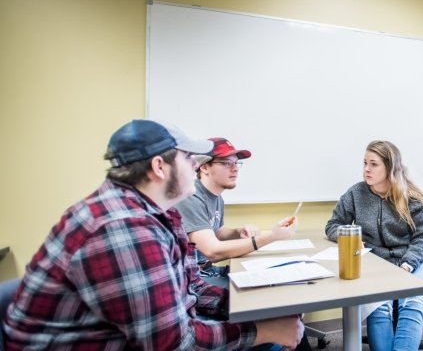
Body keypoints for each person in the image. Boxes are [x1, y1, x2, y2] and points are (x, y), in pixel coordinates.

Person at [3, 120, 304, 350]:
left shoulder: (159, 213)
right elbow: (174, 344)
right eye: (190, 160)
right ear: (159, 167)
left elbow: (193, 288)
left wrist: (252, 307)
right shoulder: (123, 227)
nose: (197, 168)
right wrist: (262, 330)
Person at [324, 140, 423, 351]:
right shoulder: (356, 193)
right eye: (365, 163)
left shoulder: (412, 197)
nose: (366, 169)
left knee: (411, 303)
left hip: (413, 262)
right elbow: (333, 225)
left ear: (390, 167)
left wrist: (408, 265)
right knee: (378, 306)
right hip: (375, 262)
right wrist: (348, 237)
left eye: (373, 164)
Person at [174, 138, 297, 289]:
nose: (235, 168)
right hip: (190, 281)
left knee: (276, 281)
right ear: (204, 167)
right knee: (265, 294)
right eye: (226, 163)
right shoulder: (191, 197)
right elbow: (212, 251)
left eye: (236, 163)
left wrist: (238, 232)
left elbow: (216, 231)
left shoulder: (216, 196)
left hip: (207, 271)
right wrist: (271, 237)